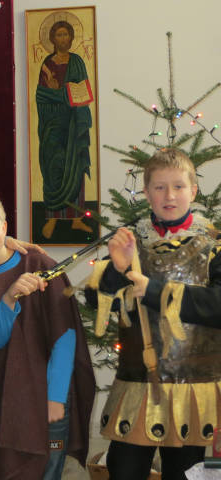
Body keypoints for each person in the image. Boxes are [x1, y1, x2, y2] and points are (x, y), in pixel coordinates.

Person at [85, 148, 221, 480]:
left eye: (178, 186)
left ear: (194, 191)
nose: (169, 195)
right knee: (124, 471)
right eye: (159, 187)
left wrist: (155, 291)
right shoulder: (131, 242)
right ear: (146, 193)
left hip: (193, 386)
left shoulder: (215, 246)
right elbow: (94, 299)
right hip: (137, 385)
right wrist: (117, 270)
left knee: (183, 474)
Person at [0, 184, 95, 479]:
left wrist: (56, 398)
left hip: (45, 394)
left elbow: (64, 335)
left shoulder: (39, 264)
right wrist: (8, 299)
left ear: (5, 226)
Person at [36, 20, 93, 239]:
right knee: (53, 166)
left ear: (71, 37)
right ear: (52, 38)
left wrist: (61, 93)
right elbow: (41, 95)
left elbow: (83, 91)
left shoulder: (77, 61)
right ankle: (52, 217)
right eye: (59, 35)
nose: (63, 39)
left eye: (66, 34)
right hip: (53, 123)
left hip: (74, 123)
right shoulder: (47, 63)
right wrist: (62, 94)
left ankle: (77, 219)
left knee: (75, 166)